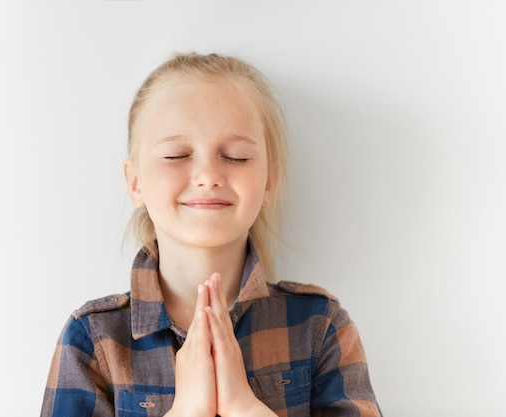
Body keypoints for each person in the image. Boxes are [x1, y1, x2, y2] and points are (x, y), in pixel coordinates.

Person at [40, 52, 382, 417]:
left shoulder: (319, 326)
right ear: (135, 182)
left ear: (269, 183)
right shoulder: (93, 340)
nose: (207, 175)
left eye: (235, 157)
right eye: (176, 155)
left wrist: (244, 407)